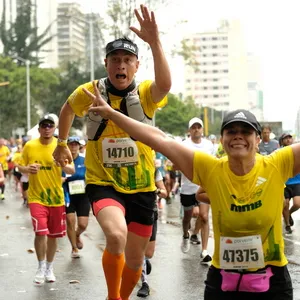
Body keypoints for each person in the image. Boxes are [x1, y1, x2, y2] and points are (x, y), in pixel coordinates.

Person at [80, 96, 295, 299]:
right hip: (224, 280)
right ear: (222, 139)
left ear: (257, 139)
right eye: (231, 131)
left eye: (246, 131)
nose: (238, 135)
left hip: (272, 279)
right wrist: (112, 113)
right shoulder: (210, 168)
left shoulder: (277, 164)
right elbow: (159, 139)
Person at [53, 5, 171, 300]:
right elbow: (67, 109)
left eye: (127, 60)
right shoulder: (91, 91)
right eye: (115, 60)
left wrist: (155, 42)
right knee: (116, 236)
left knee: (135, 259)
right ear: (106, 64)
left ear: (136, 66)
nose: (121, 65)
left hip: (142, 186)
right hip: (102, 182)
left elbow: (165, 84)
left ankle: (119, 297)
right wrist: (61, 142)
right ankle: (113, 297)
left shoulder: (145, 94)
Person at [18, 115, 74, 284]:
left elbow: (71, 169)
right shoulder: (30, 146)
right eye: (44, 125)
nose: (47, 128)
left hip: (56, 198)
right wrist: (27, 168)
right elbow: (20, 166)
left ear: (54, 128)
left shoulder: (61, 146)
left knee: (53, 236)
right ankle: (41, 266)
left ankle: (49, 267)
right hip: (37, 197)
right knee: (40, 232)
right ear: (39, 128)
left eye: (50, 125)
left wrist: (62, 165)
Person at [179, 117, 214, 264]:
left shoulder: (209, 145)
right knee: (188, 217)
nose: (196, 129)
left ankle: (204, 251)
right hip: (187, 187)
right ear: (189, 130)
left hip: (204, 186)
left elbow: (213, 164)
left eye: (199, 127)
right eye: (193, 127)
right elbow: (176, 163)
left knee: (204, 216)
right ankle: (186, 235)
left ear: (202, 129)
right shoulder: (184, 145)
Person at [137, 167, 167, 298]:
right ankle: (144, 284)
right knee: (139, 252)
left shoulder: (154, 171)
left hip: (150, 212)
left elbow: (165, 193)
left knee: (148, 253)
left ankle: (145, 260)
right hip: (132, 212)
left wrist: (157, 190)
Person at [63, 136, 90, 258]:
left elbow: (90, 176)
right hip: (68, 195)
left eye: (76, 144)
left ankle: (77, 234)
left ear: (80, 146)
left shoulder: (85, 161)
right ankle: (74, 248)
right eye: (71, 144)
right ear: (67, 146)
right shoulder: (63, 161)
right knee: (70, 221)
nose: (73, 146)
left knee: (83, 225)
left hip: (83, 196)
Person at [280, 133, 300, 234]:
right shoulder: (279, 153)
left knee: (297, 204)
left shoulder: (297, 150)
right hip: (284, 183)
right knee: (285, 204)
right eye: (285, 138)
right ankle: (287, 225)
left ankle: (289, 214)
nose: (288, 140)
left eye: (289, 138)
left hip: (297, 181)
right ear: (282, 141)